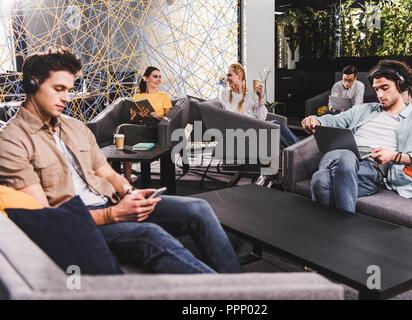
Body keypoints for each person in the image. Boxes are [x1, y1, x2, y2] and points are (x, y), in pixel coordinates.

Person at [0, 48, 242, 274]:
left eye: (69, 90)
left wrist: (130, 192)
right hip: (83, 221)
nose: (67, 98)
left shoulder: (74, 127)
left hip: (113, 201)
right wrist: (111, 215)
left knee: (197, 208)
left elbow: (106, 172)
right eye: (59, 89)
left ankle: (243, 287)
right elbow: (47, 218)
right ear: (32, 84)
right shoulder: (12, 141)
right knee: (150, 236)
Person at [301, 59, 412, 213]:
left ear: (401, 86)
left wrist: (395, 156)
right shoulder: (364, 110)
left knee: (320, 181)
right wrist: (316, 120)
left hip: (370, 169)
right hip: (338, 158)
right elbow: (335, 121)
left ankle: (335, 229)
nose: (379, 94)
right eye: (376, 89)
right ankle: (344, 228)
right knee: (344, 155)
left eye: (384, 88)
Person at [219, 63, 299, 151]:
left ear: (239, 76)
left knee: (277, 135)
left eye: (230, 75)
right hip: (242, 128)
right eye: (227, 76)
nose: (227, 79)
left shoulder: (252, 94)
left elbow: (261, 118)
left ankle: (296, 154)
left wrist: (260, 98)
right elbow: (229, 115)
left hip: (256, 126)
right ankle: (301, 149)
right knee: (275, 125)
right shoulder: (225, 94)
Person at [123, 66, 172, 182]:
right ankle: (127, 179)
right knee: (124, 129)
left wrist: (153, 114)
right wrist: (139, 115)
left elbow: (169, 119)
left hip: (156, 128)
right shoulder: (138, 97)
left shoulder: (164, 96)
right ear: (146, 78)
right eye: (155, 76)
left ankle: (124, 178)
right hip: (141, 126)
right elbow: (131, 121)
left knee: (123, 130)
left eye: (160, 77)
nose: (159, 79)